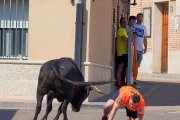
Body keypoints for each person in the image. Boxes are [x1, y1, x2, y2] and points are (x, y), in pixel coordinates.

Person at [115, 17, 128, 89]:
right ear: (120, 23)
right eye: (123, 22)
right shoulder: (120, 30)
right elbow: (124, 39)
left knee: (123, 68)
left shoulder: (124, 30)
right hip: (121, 53)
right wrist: (130, 40)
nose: (125, 23)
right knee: (120, 68)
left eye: (125, 22)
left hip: (124, 52)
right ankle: (119, 84)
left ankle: (122, 82)